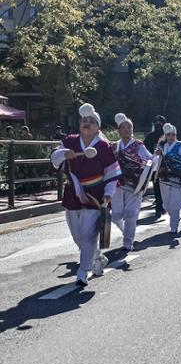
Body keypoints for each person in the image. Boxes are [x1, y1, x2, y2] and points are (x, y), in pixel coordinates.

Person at [50, 103, 121, 287]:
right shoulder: (70, 141)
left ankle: (83, 272)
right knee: (77, 236)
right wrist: (65, 153)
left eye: (91, 121)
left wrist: (108, 194)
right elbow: (55, 158)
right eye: (84, 121)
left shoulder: (104, 147)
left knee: (88, 234)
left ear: (97, 127)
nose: (86, 123)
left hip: (95, 196)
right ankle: (98, 256)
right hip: (73, 194)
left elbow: (112, 173)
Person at [110, 113, 154, 254]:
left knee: (131, 214)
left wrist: (156, 159)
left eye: (129, 127)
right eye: (123, 127)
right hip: (117, 185)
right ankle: (126, 231)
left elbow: (150, 161)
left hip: (134, 185)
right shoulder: (114, 146)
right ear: (119, 130)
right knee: (116, 216)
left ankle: (128, 243)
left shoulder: (138, 145)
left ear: (132, 130)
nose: (126, 130)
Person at [155, 123, 181, 236]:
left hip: (178, 178)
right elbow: (156, 162)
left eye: (173, 134)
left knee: (175, 203)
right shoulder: (162, 146)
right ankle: (175, 217)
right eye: (169, 135)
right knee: (167, 205)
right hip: (164, 179)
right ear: (165, 135)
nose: (171, 137)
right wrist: (157, 155)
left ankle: (174, 226)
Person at [144, 115, 166, 219]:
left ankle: (162, 205)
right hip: (154, 166)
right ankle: (158, 207)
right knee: (157, 187)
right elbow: (144, 150)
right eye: (157, 123)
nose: (159, 125)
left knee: (164, 188)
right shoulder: (149, 137)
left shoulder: (167, 137)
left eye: (160, 123)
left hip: (165, 166)